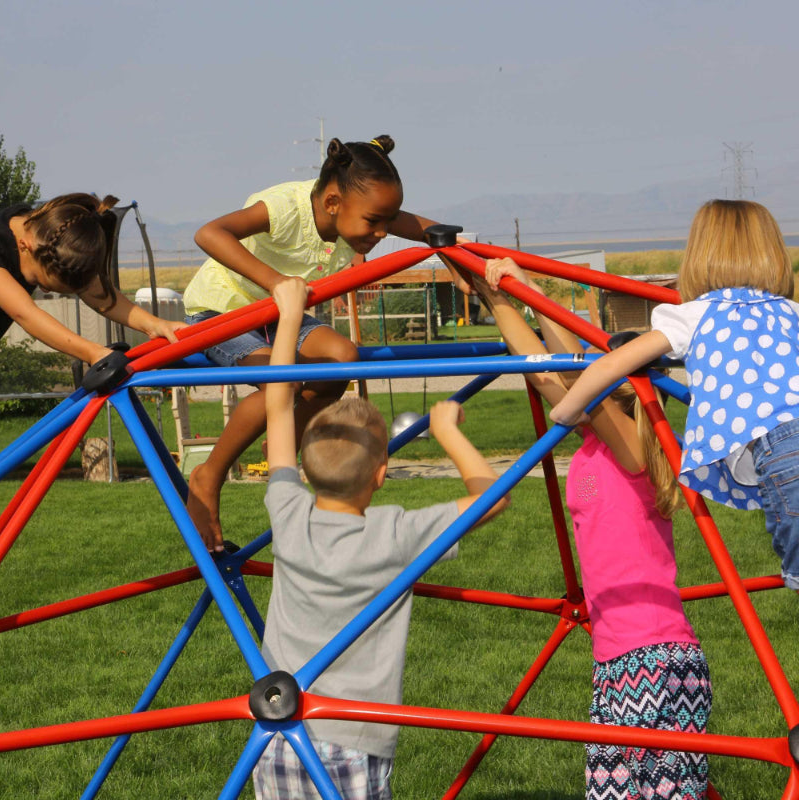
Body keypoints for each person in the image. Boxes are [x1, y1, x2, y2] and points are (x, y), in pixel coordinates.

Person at [252, 277, 509, 800]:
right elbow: (494, 497)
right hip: (354, 737)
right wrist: (449, 431)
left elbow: (277, 405)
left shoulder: (287, 512)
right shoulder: (395, 534)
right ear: (380, 474)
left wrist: (290, 317)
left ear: (304, 466)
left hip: (277, 736)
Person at [474, 258, 711, 800]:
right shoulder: (591, 440)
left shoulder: (634, 448)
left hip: (655, 662)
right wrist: (501, 299)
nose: (568, 387)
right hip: (620, 661)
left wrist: (534, 292)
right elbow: (542, 367)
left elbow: (577, 375)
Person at [184, 134, 466, 553]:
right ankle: (209, 474)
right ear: (333, 203)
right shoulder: (287, 208)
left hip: (279, 314)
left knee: (342, 358)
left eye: (387, 222)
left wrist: (454, 253)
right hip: (222, 312)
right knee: (286, 383)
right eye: (374, 222)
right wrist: (277, 284)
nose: (384, 232)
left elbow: (427, 230)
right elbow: (209, 234)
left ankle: (283, 439)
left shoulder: (352, 212)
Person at [550, 199, 799, 594]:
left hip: (784, 449)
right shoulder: (791, 311)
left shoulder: (695, 315)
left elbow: (606, 368)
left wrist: (564, 413)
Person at [0, 193, 186, 363]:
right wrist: (93, 353)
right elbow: (25, 313)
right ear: (26, 246)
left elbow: (98, 293)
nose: (44, 291)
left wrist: (155, 325)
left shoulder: (49, 235)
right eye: (37, 281)